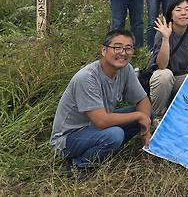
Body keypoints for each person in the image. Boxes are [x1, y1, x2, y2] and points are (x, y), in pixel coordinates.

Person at [50, 29, 151, 176]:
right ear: (104, 50)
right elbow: (101, 121)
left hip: (96, 127)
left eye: (128, 48)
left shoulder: (126, 69)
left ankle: (105, 149)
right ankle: (77, 165)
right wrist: (140, 117)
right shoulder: (87, 77)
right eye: (117, 47)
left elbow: (142, 100)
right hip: (69, 137)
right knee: (115, 135)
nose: (123, 53)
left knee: (147, 114)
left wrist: (145, 128)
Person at [148, 0, 188, 118]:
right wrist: (165, 38)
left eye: (187, 9)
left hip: (180, 76)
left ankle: (183, 109)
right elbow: (162, 65)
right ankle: (158, 115)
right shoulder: (163, 32)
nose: (183, 13)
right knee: (165, 75)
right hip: (162, 76)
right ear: (171, 15)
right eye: (178, 10)